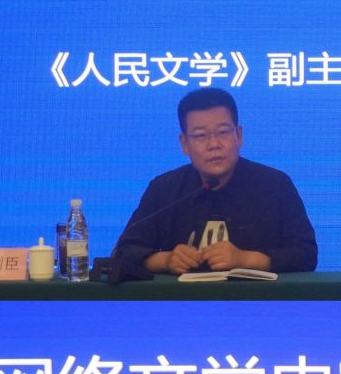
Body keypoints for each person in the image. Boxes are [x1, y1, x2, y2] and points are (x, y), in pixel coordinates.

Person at [112, 88, 317, 279]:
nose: (214, 144)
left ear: (239, 135)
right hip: (181, 303)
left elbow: (306, 255)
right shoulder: (165, 189)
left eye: (223, 132)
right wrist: (165, 260)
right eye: (200, 136)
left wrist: (246, 259)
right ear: (185, 144)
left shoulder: (275, 185)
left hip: (255, 303)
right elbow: (124, 251)